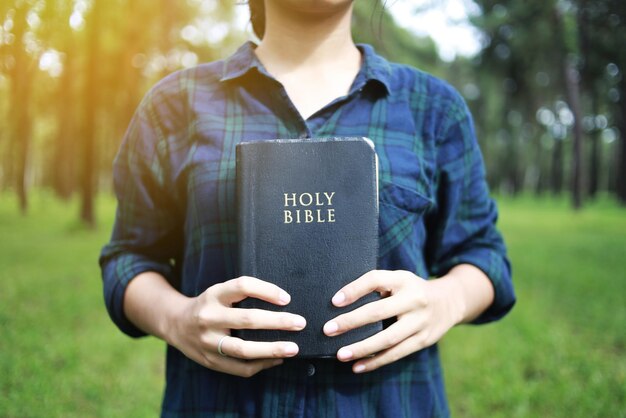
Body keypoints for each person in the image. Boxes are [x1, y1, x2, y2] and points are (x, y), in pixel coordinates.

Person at [99, 1, 516, 416]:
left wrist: (445, 300)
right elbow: (130, 258)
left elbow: (484, 256)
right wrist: (176, 318)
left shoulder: (435, 109)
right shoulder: (174, 106)